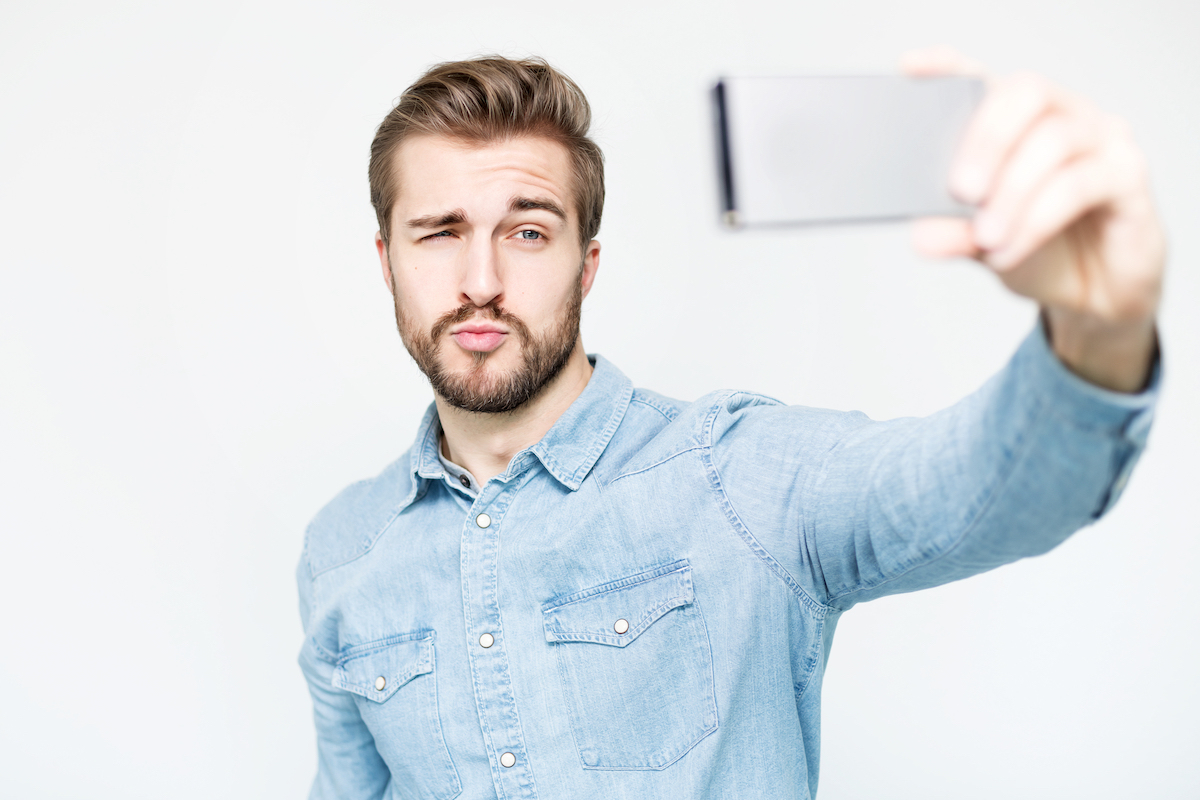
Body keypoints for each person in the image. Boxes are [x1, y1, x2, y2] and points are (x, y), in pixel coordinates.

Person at [296, 50, 1163, 800]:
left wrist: (1098, 328)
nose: (481, 281)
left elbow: (982, 490)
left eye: (527, 232)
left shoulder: (734, 477)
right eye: (439, 233)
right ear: (387, 263)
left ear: (585, 266)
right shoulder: (341, 553)